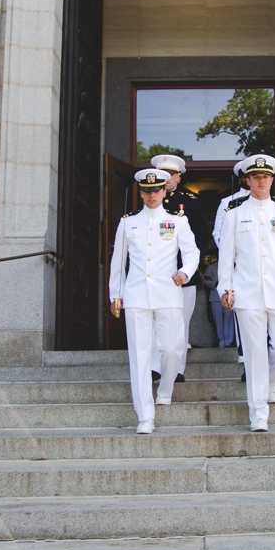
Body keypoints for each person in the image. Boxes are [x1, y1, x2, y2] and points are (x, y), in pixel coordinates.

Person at [217, 154, 275, 432]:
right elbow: (225, 256)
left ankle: (273, 382)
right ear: (248, 180)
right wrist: (225, 287)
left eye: (266, 177)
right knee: (255, 353)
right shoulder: (234, 214)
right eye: (256, 177)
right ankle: (258, 412)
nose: (262, 182)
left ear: (271, 180)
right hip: (247, 294)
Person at [108, 168, 199, 434]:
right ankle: (144, 415)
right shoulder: (128, 223)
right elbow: (118, 263)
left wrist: (185, 271)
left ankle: (166, 387)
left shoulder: (178, 221)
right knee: (139, 357)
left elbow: (192, 252)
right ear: (140, 193)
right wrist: (117, 294)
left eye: (156, 190)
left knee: (172, 349)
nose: (152, 195)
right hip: (136, 296)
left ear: (164, 191)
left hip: (169, 293)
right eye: (147, 191)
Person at [149, 154, 211, 383]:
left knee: (180, 323)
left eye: (170, 175)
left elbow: (201, 237)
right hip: (155, 274)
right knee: (155, 320)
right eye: (161, 175)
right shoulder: (149, 201)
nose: (165, 180)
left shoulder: (190, 201)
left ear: (178, 177)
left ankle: (176, 369)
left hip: (183, 274)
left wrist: (192, 266)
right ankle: (155, 366)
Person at [213, 160, 251, 369]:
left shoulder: (271, 202)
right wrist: (232, 253)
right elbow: (218, 233)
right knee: (240, 306)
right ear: (241, 179)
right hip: (238, 264)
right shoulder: (228, 202)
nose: (251, 180)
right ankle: (243, 351)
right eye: (248, 176)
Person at [200, 258, 235, 347]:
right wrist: (215, 284)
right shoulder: (211, 267)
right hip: (215, 296)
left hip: (229, 295)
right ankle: (221, 340)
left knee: (229, 318)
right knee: (218, 319)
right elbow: (206, 281)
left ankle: (229, 340)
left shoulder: (232, 266)